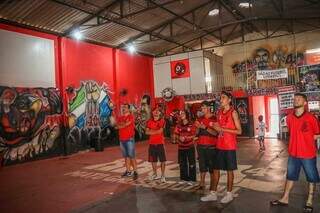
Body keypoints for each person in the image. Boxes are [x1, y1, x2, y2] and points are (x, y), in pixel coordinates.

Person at [270, 93, 320, 213]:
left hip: (308, 154)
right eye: (295, 99)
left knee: (311, 178)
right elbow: (291, 131)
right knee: (290, 176)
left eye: (299, 99)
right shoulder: (289, 118)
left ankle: (309, 201)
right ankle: (285, 198)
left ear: (305, 102)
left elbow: (317, 133)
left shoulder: (311, 118)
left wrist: (308, 139)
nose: (296, 100)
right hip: (293, 154)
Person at [211, 91, 242, 204]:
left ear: (229, 99)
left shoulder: (233, 112)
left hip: (229, 146)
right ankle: (213, 193)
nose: (221, 99)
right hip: (219, 145)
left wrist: (221, 129)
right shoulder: (219, 112)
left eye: (223, 97)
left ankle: (229, 194)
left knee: (229, 170)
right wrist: (212, 127)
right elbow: (218, 129)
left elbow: (239, 131)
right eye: (220, 98)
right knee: (215, 169)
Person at [194, 101, 218, 200]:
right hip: (201, 146)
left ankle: (213, 187)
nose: (202, 109)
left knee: (212, 169)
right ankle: (202, 183)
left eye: (204, 107)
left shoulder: (215, 118)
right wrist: (197, 127)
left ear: (208, 108)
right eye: (201, 108)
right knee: (202, 167)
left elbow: (216, 133)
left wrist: (205, 127)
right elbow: (196, 133)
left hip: (211, 147)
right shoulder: (200, 119)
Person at [116, 103, 138, 180]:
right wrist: (123, 124)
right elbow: (117, 126)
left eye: (125, 107)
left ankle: (135, 172)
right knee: (126, 157)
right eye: (123, 107)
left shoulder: (131, 116)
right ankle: (128, 171)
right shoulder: (120, 117)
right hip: (122, 139)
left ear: (129, 109)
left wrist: (122, 124)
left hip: (129, 139)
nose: (123, 108)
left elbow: (125, 124)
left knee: (132, 156)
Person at [174, 110, 197, 185]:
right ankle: (184, 178)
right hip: (181, 147)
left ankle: (192, 179)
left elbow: (194, 135)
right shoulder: (178, 124)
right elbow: (175, 134)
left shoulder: (191, 124)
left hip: (190, 146)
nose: (181, 115)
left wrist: (186, 138)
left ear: (187, 114)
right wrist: (178, 137)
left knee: (191, 163)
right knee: (182, 163)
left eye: (183, 113)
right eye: (180, 114)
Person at [146, 107, 167, 183]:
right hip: (151, 144)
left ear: (160, 113)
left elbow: (160, 131)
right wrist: (156, 131)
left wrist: (152, 131)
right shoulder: (149, 121)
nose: (156, 112)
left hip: (160, 143)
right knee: (153, 160)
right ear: (152, 112)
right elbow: (147, 132)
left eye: (157, 111)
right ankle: (155, 174)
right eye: (154, 111)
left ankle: (163, 175)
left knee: (163, 160)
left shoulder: (162, 121)